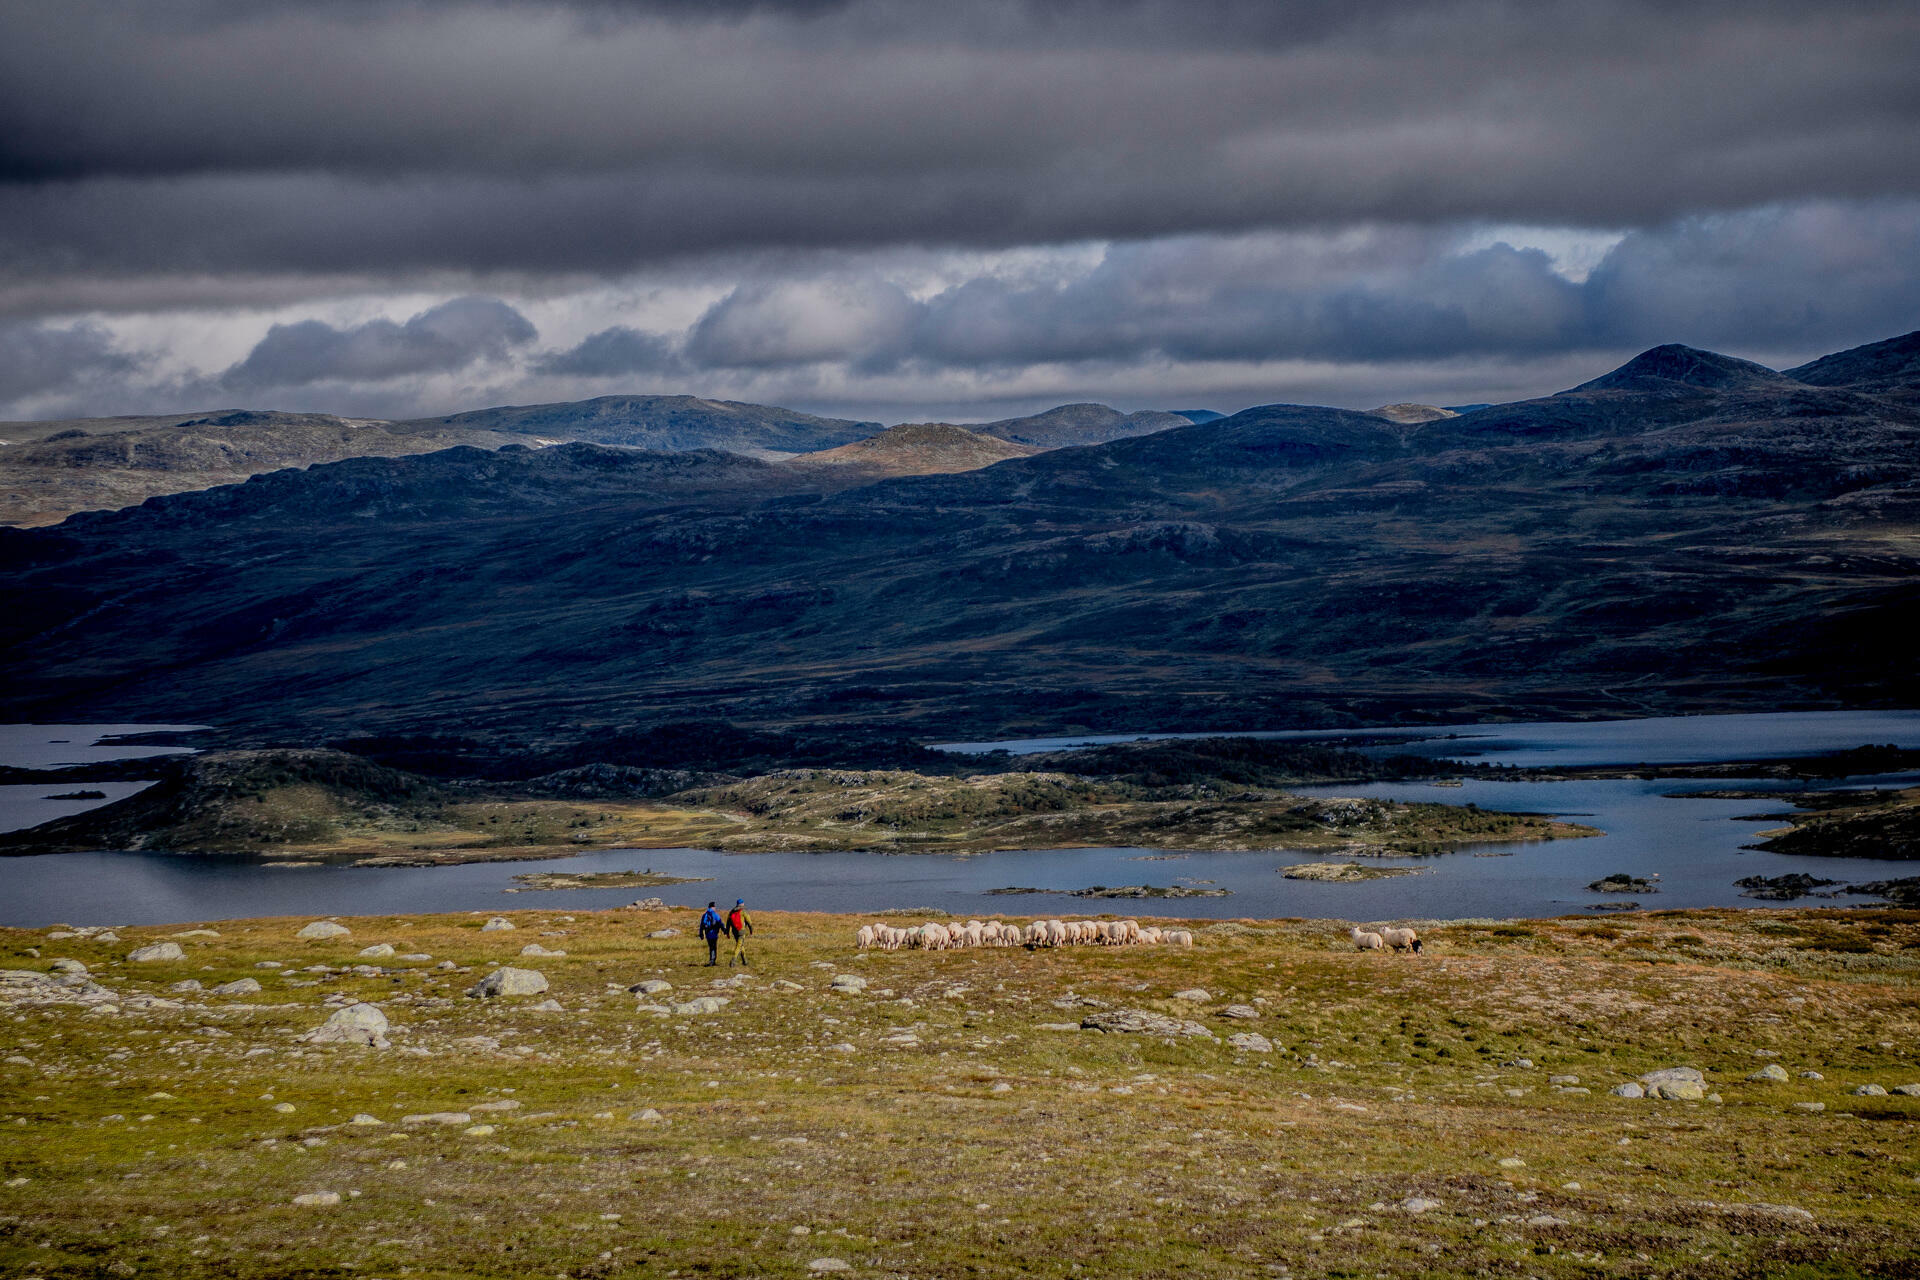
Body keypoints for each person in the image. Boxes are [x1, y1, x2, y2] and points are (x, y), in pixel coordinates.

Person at [727, 898, 754, 967]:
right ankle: (733, 960)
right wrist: (751, 930)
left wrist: (727, 932)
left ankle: (745, 961)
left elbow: (728, 923)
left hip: (734, 931)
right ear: (742, 904)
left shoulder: (732, 911)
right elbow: (749, 922)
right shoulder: (743, 911)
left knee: (740, 945)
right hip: (741, 931)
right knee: (739, 946)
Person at [699, 901, 724, 966]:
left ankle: (712, 960)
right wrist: (724, 930)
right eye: (714, 907)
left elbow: (701, 925)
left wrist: (701, 934)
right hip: (714, 933)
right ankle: (712, 961)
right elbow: (720, 923)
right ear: (712, 907)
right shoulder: (715, 915)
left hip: (708, 934)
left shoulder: (705, 915)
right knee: (714, 947)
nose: (715, 908)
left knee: (711, 947)